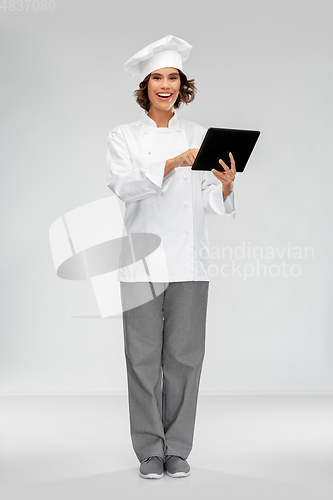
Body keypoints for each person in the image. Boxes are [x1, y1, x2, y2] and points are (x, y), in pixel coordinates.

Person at [106, 35, 236, 479]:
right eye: (158, 77)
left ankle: (177, 447)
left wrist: (224, 184)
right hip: (140, 261)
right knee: (142, 359)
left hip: (190, 260)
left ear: (183, 85)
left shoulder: (201, 135)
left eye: (174, 77)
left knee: (184, 357)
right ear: (146, 86)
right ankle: (148, 450)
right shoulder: (122, 136)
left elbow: (207, 200)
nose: (166, 84)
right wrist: (171, 163)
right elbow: (124, 187)